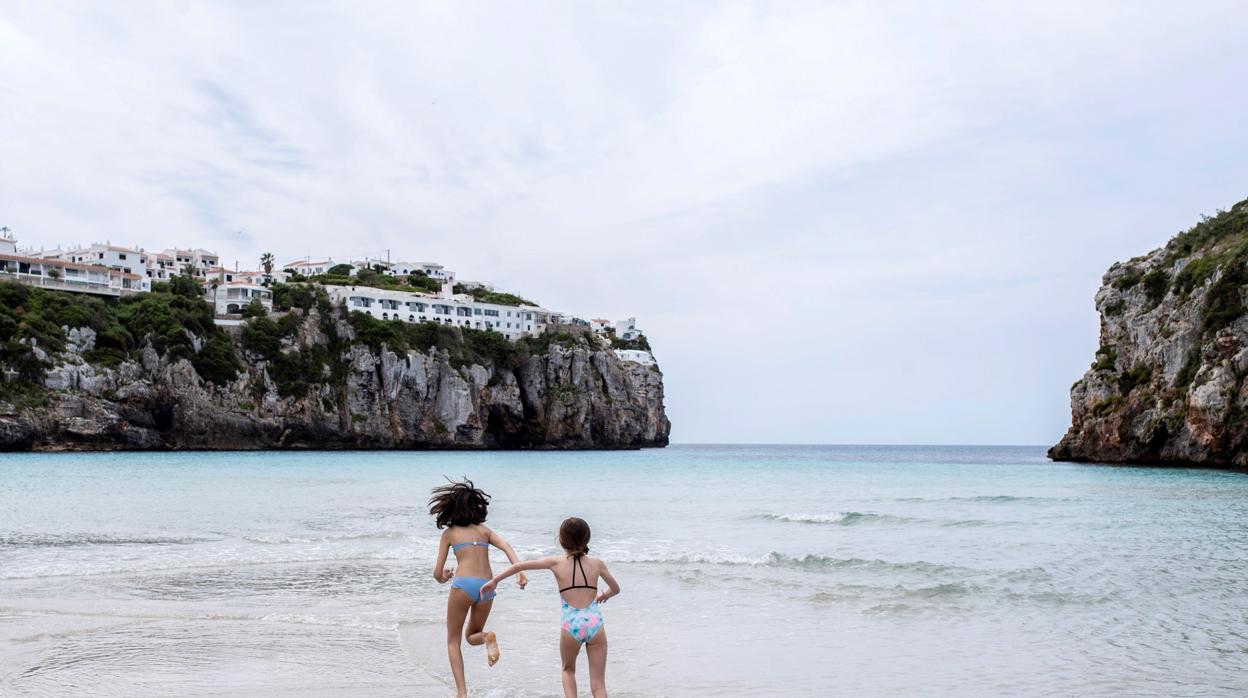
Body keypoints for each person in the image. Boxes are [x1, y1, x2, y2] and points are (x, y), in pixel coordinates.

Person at [481, 517, 620, 698]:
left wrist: (494, 581)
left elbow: (518, 566)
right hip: (595, 623)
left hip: (571, 626)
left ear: (561, 540)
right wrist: (605, 594)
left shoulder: (556, 562)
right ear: (587, 539)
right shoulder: (597, 564)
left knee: (568, 670)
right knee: (599, 685)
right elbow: (616, 589)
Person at [429, 478, 528, 698]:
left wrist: (444, 577)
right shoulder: (485, 531)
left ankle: (462, 693)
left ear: (452, 508)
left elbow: (437, 574)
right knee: (472, 634)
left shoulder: (449, 534)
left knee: (453, 641)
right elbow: (507, 547)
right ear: (477, 507)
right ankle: (486, 637)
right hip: (487, 587)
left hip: (463, 585)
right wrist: (520, 571)